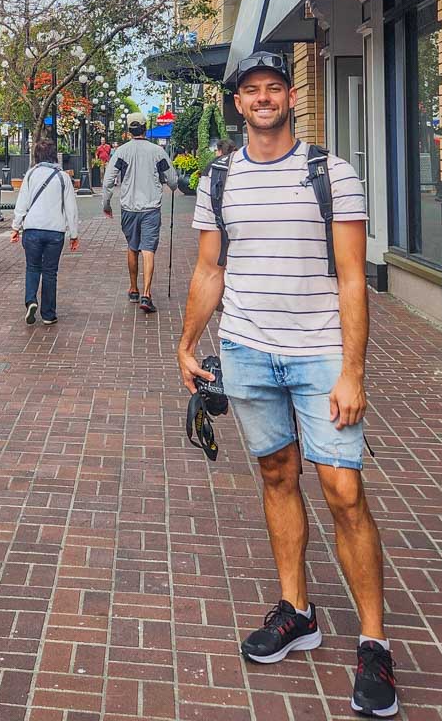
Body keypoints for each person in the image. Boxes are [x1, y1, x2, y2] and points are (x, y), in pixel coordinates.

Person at [176, 51, 396, 718]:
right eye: (252, 90)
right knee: (276, 474)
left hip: (320, 355)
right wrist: (186, 343)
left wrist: (353, 369)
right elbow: (210, 269)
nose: (263, 98)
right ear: (237, 103)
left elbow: (354, 277)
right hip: (245, 352)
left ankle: (374, 645)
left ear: (291, 97)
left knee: (343, 489)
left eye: (274, 88)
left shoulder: (332, 173)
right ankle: (297, 610)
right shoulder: (219, 179)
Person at [101, 112, 178, 314]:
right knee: (148, 249)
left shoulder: (121, 152)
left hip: (128, 207)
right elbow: (173, 180)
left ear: (129, 130)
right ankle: (147, 294)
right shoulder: (157, 151)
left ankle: (134, 289)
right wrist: (167, 181)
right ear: (145, 128)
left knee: (132, 246)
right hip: (151, 207)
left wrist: (106, 204)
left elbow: (108, 180)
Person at [10, 137, 79, 326]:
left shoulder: (31, 175)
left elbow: (22, 203)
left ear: (37, 156)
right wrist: (74, 234)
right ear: (54, 156)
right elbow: (71, 208)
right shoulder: (63, 177)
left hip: (32, 229)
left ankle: (31, 300)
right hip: (55, 232)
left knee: (32, 267)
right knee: (50, 272)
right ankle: (48, 314)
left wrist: (16, 227)